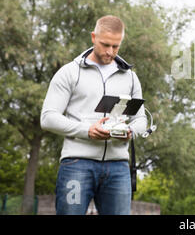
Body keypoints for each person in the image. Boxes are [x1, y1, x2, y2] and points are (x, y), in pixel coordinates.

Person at [40, 15, 147, 215]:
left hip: (118, 168)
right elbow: (48, 117)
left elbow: (141, 119)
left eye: (116, 46)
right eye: (105, 44)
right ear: (93, 37)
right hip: (77, 165)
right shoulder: (70, 73)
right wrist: (86, 130)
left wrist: (130, 130)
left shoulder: (131, 78)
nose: (110, 52)